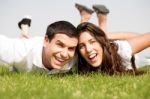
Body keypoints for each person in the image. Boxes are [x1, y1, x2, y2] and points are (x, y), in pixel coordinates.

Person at [0, 20, 78, 74]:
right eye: (60, 45)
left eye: (71, 48)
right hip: (28, 47)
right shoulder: (21, 51)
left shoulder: (75, 58)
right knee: (23, 39)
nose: (64, 54)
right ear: (46, 41)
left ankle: (25, 26)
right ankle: (24, 26)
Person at [77, 22, 150, 75]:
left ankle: (103, 19)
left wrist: (105, 37)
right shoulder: (78, 60)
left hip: (143, 59)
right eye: (81, 46)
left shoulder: (120, 50)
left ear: (100, 42)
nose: (88, 49)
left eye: (92, 42)